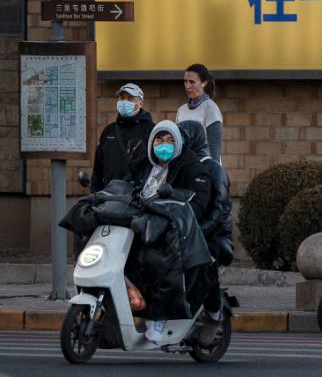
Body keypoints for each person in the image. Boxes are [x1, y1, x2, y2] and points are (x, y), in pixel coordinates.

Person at [132, 120, 212, 344]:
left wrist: (173, 215)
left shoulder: (190, 167)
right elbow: (127, 187)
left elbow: (197, 201)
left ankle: (159, 318)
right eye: (159, 140)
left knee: (159, 263)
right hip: (142, 225)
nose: (163, 145)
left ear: (178, 144)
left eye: (169, 141)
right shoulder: (143, 165)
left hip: (174, 231)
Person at [178, 120, 233, 347]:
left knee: (206, 266)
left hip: (215, 234)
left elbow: (219, 208)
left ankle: (212, 315)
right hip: (188, 231)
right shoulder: (181, 166)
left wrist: (199, 230)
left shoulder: (213, 168)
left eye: (182, 137)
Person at [91, 83, 155, 192]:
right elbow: (98, 165)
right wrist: (95, 192)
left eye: (130, 98)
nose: (124, 101)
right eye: (122, 98)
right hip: (109, 196)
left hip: (138, 198)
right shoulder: (109, 131)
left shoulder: (151, 130)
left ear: (140, 104)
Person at [176, 64, 223, 163]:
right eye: (185, 81)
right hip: (184, 166)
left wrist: (214, 172)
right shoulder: (181, 110)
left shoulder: (210, 108)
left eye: (192, 82)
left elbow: (215, 149)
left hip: (204, 166)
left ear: (204, 83)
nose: (187, 86)